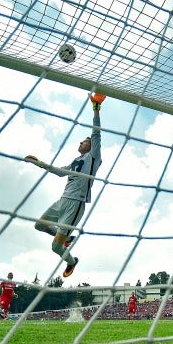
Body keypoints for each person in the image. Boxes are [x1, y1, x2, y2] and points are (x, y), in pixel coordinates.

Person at [25, 93, 105, 278]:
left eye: (84, 142)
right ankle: (68, 238)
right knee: (39, 225)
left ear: (91, 146)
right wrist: (38, 163)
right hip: (62, 201)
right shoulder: (75, 161)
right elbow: (59, 171)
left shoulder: (93, 157)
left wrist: (95, 109)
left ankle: (72, 261)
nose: (80, 143)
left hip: (75, 204)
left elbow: (96, 133)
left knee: (55, 247)